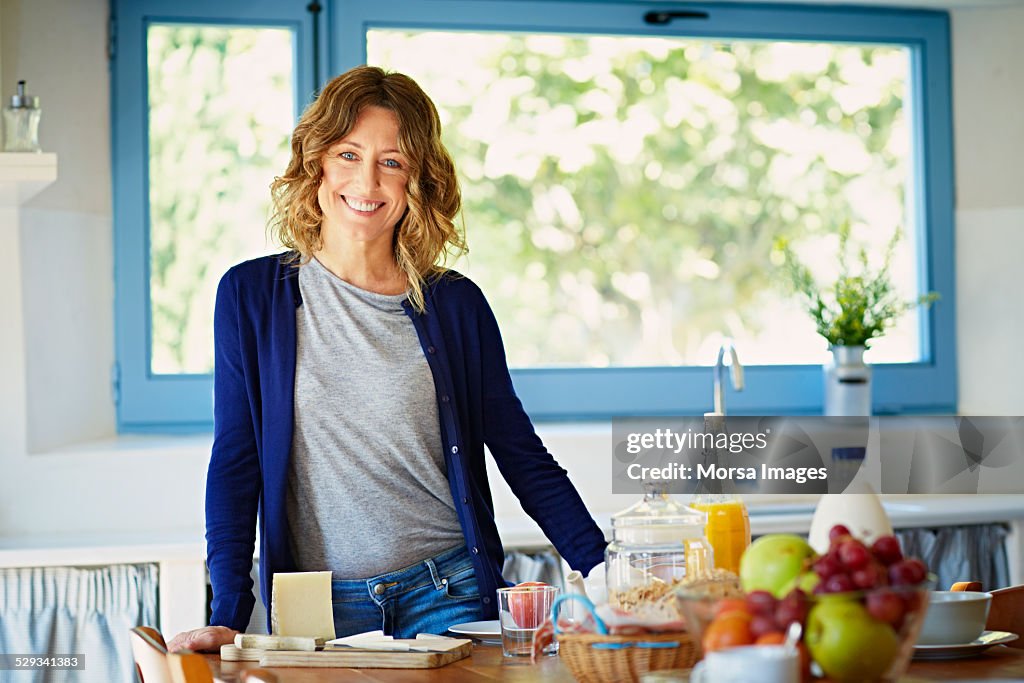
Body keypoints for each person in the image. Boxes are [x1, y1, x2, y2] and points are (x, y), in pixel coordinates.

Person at [168, 65, 606, 653]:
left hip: (448, 591)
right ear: (317, 162)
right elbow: (235, 462)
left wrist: (605, 574)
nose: (367, 180)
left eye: (392, 161)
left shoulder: (455, 304)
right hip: (317, 608)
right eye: (348, 154)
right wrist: (227, 612)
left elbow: (522, 455)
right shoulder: (251, 297)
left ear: (417, 179)